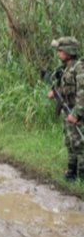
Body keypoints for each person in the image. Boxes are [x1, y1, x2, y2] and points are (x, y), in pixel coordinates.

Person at [48, 37, 84, 181]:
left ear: (69, 51)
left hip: (77, 114)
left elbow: (82, 93)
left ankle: (82, 177)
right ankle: (71, 172)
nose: (58, 53)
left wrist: (77, 114)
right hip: (68, 111)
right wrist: (55, 92)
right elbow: (67, 88)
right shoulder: (65, 68)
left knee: (80, 145)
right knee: (70, 143)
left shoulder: (79, 68)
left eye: (61, 50)